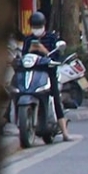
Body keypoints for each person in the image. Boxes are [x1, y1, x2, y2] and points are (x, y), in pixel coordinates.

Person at [18, 11, 71, 139]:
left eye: (38, 27)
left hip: (47, 72)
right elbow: (24, 56)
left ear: (44, 25)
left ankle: (64, 131)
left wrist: (43, 50)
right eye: (34, 27)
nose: (36, 30)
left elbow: (56, 56)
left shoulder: (52, 38)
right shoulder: (29, 39)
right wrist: (29, 51)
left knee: (55, 98)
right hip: (32, 72)